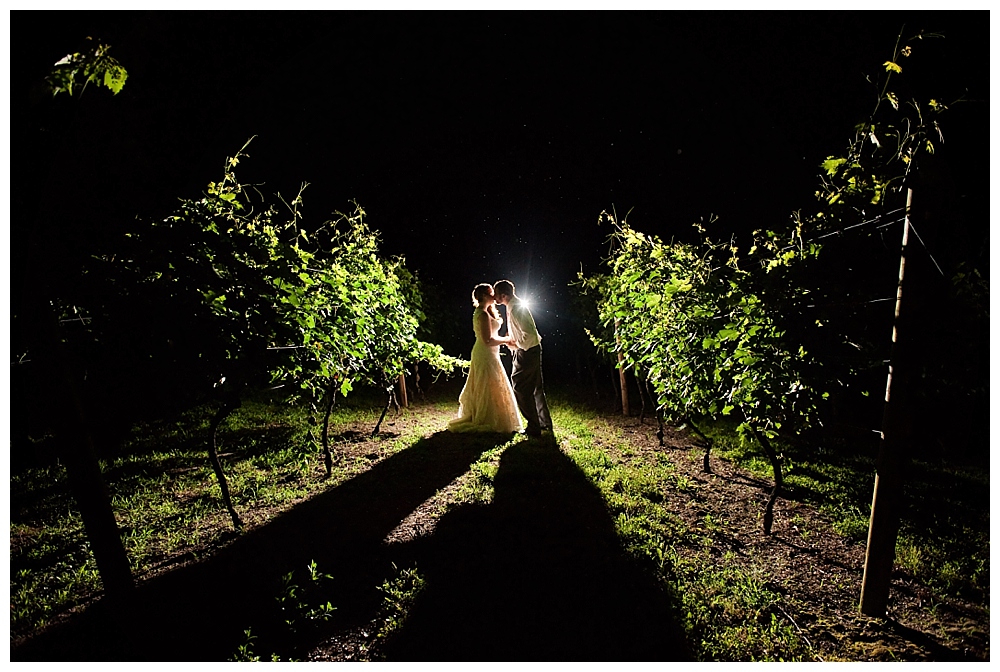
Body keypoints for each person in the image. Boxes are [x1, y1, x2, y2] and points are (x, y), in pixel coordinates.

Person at [447, 283, 523, 434]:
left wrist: (505, 339)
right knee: (487, 384)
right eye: (490, 293)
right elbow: (487, 340)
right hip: (484, 352)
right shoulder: (481, 314)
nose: (494, 296)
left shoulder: (486, 312)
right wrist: (507, 339)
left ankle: (493, 415)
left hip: (490, 353)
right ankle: (486, 417)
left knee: (493, 383)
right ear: (482, 296)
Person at [493, 279, 552, 437]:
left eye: (497, 295)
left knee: (519, 386)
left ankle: (534, 426)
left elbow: (529, 334)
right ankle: (543, 422)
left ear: (504, 295)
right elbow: (521, 329)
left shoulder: (516, 308)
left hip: (527, 351)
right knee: (536, 388)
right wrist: (512, 336)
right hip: (530, 349)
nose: (495, 298)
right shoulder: (512, 305)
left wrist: (515, 343)